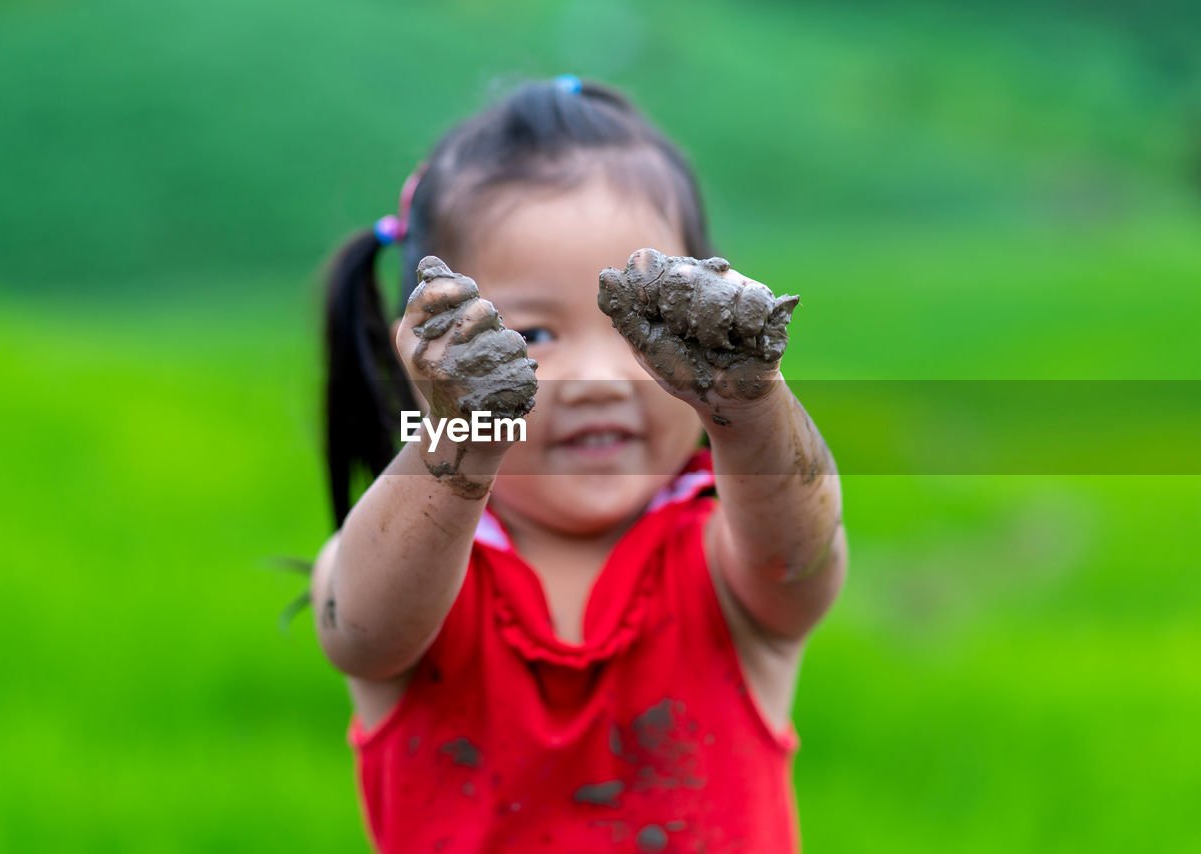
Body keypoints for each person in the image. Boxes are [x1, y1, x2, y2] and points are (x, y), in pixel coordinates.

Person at [309, 74, 846, 853]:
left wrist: (751, 400)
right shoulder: (414, 564)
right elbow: (359, 630)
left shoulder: (723, 561)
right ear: (432, 356)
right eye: (530, 337)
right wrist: (461, 442)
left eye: (642, 327)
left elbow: (804, 560)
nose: (600, 379)